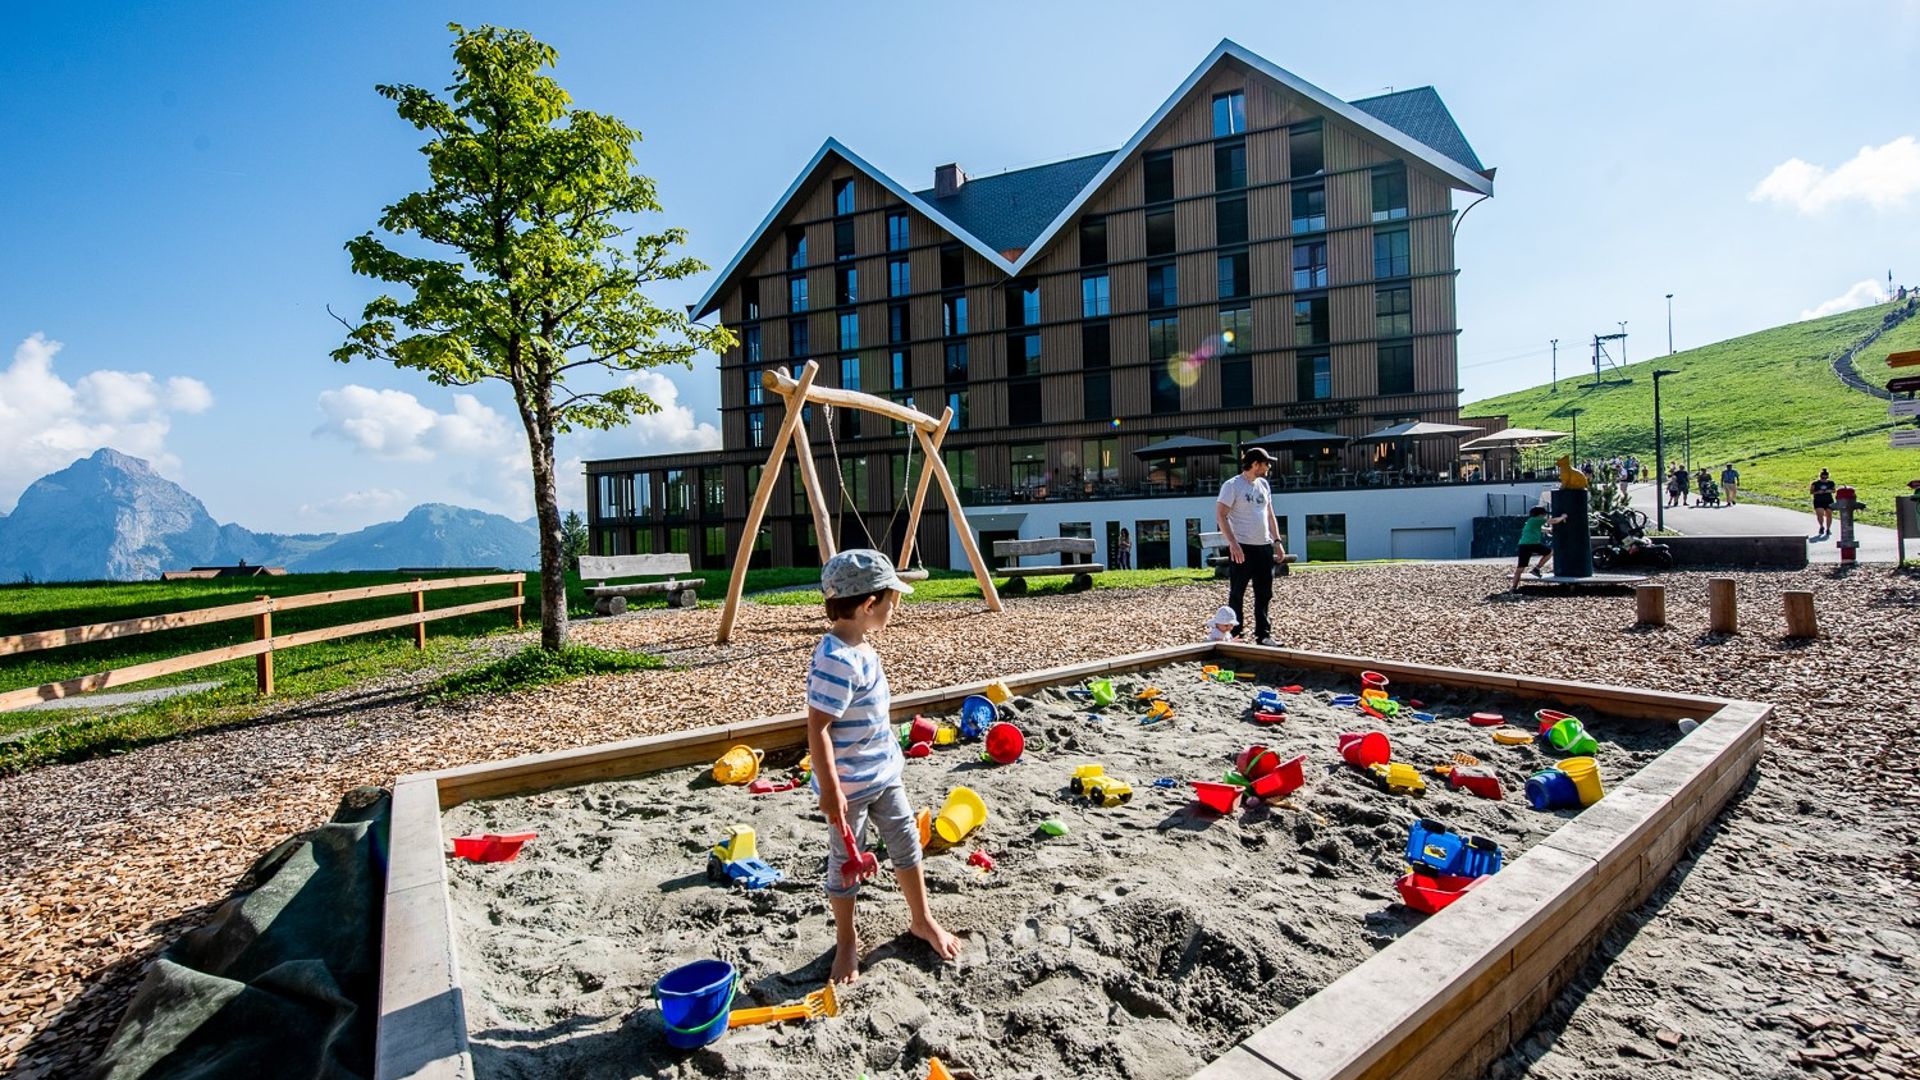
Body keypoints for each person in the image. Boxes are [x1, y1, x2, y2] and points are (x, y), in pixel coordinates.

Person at [806, 549, 960, 983]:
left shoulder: (858, 645)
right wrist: (832, 790)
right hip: (850, 787)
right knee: (843, 864)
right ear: (870, 604)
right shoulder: (837, 661)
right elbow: (816, 729)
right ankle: (847, 940)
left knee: (907, 843)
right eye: (893, 599)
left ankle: (921, 918)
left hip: (884, 774)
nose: (897, 608)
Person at [1216, 446, 1289, 646]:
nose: (1269, 467)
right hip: (1243, 547)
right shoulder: (1232, 486)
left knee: (1264, 593)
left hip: (1263, 547)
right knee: (1237, 592)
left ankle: (1263, 635)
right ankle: (1235, 634)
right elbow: (1221, 514)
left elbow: (1269, 514)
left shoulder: (1264, 485)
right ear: (1255, 464)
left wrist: (1277, 542)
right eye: (1266, 463)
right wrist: (1233, 543)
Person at [1511, 506, 1566, 589]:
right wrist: (1563, 517)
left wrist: (1547, 530)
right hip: (1532, 544)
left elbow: (1539, 528)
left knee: (1520, 568)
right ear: (1540, 514)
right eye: (1544, 515)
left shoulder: (1531, 521)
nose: (1544, 516)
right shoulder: (1538, 519)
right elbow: (1554, 521)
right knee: (1549, 552)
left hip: (1523, 545)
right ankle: (1536, 569)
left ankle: (1513, 588)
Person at [1810, 469, 1837, 537]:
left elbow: (1834, 490)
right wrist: (1818, 492)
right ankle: (1821, 526)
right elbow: (1811, 492)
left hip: (1828, 500)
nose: (1824, 479)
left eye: (1826, 477)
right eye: (1823, 477)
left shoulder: (1831, 483)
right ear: (1820, 477)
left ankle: (1828, 529)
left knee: (1829, 515)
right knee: (1820, 515)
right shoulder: (1815, 483)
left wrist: (1828, 491)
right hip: (1818, 500)